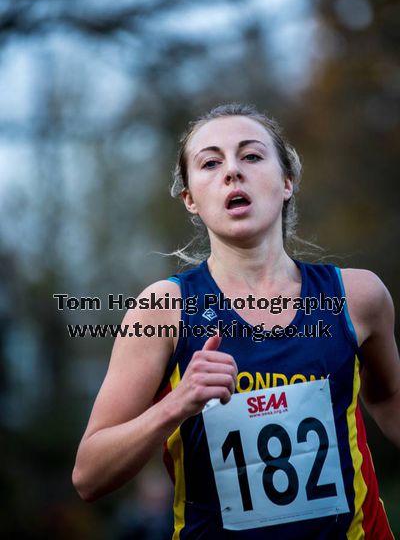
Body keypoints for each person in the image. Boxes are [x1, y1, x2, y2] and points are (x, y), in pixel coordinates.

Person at [72, 104, 399, 539]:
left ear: (287, 182)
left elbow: (386, 394)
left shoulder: (357, 297)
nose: (232, 172)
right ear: (190, 199)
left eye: (251, 156)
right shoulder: (163, 310)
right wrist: (177, 402)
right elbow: (89, 475)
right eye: (210, 162)